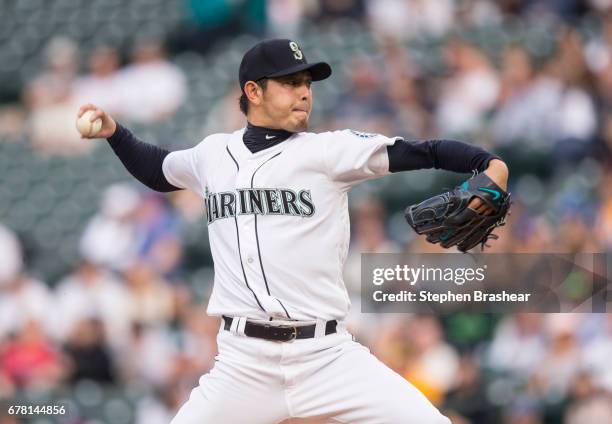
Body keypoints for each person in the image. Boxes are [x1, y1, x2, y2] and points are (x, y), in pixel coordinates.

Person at [77, 38, 508, 423]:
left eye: (308, 82)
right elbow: (158, 169)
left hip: (326, 356)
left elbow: (423, 151)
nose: (304, 92)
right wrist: (116, 133)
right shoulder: (212, 154)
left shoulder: (329, 151)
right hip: (243, 363)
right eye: (289, 82)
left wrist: (490, 164)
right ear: (253, 91)